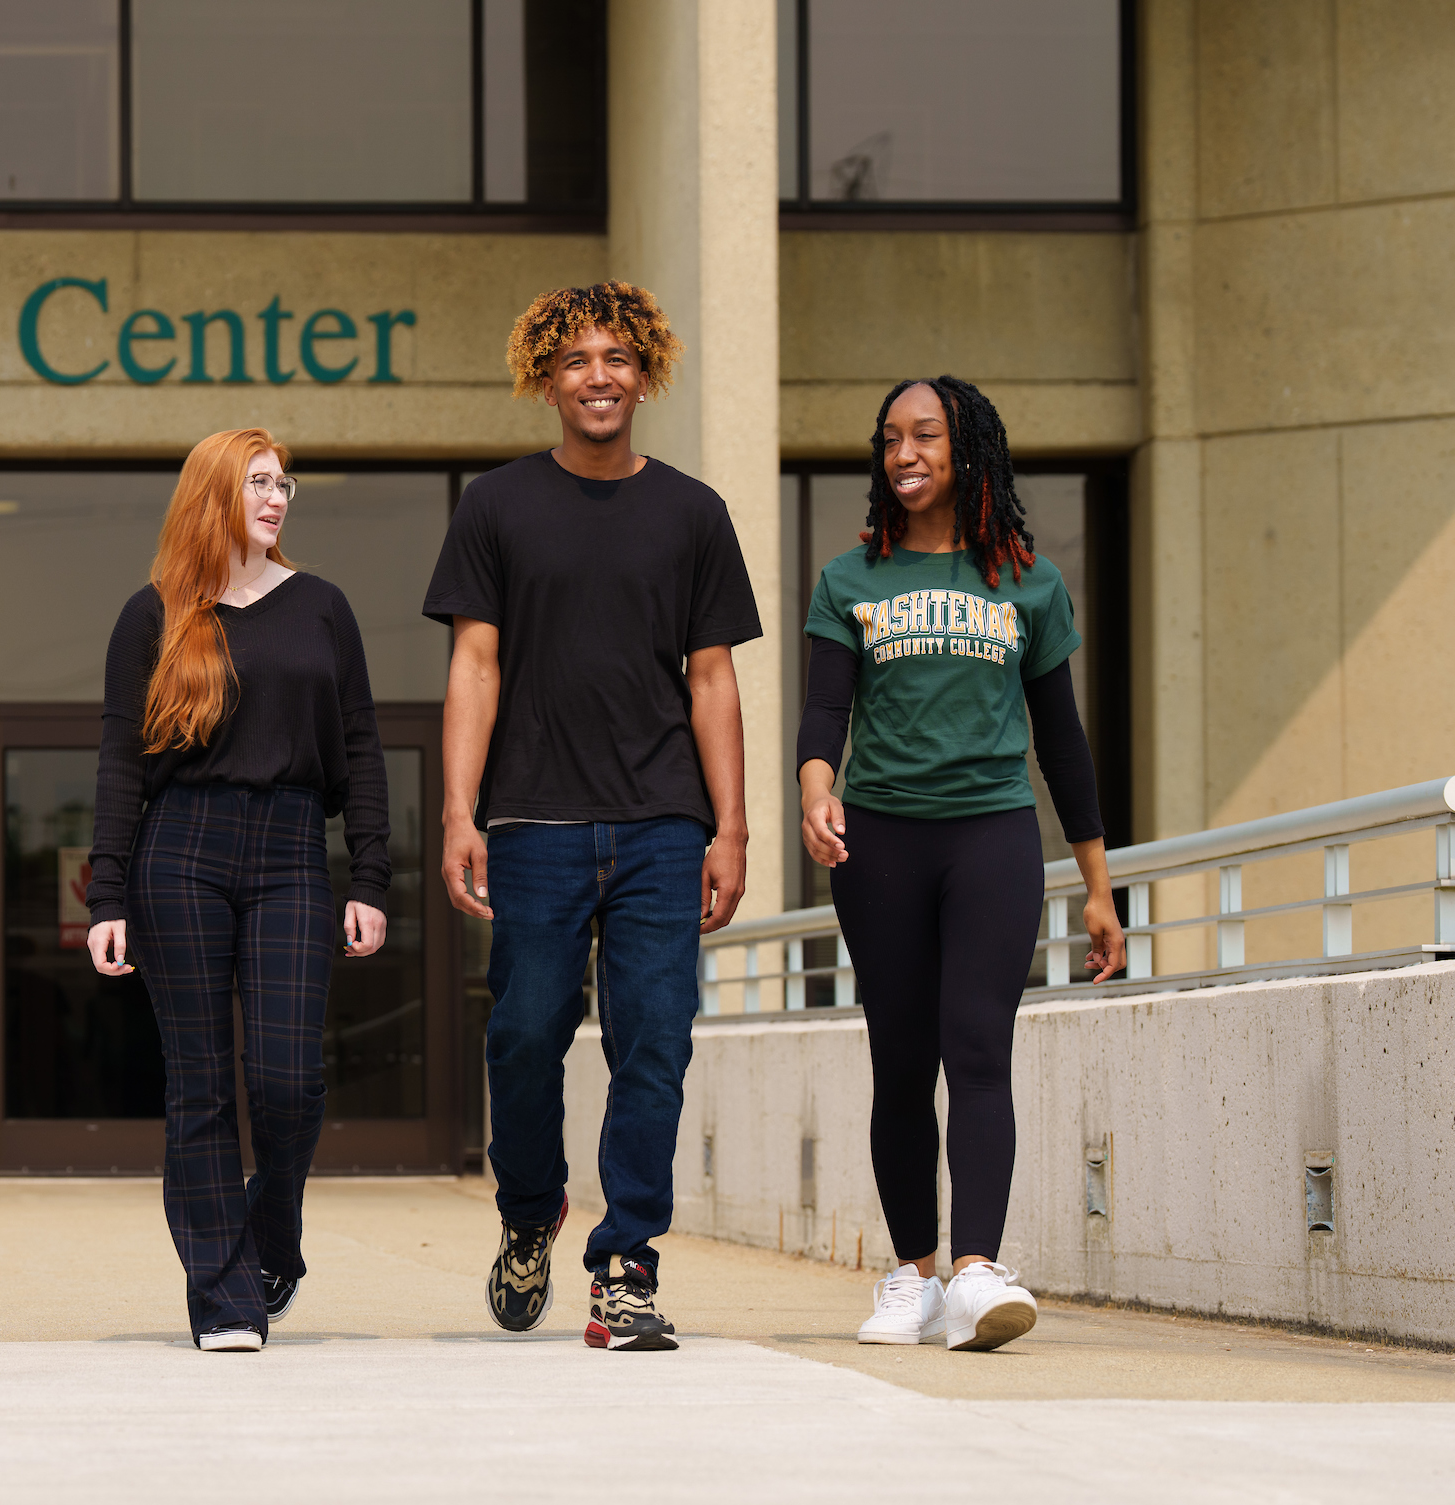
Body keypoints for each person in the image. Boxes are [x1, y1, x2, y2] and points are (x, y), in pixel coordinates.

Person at [425, 281, 763, 1351]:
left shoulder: (694, 514)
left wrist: (733, 828)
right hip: (531, 821)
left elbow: (712, 680)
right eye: (576, 360)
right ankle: (530, 1211)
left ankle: (626, 1267)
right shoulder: (496, 507)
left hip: (663, 820)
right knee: (524, 1034)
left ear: (647, 371)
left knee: (654, 1041)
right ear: (546, 377)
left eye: (618, 358)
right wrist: (457, 809)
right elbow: (473, 663)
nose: (599, 376)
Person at [798, 375, 1126, 1352]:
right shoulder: (849, 578)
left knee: (977, 1045)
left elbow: (1062, 742)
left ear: (967, 449)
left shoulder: (1026, 579)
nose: (905, 452)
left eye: (926, 435)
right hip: (881, 842)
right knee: (900, 1058)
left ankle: (977, 1272)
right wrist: (818, 787)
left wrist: (1099, 887)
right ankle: (912, 1273)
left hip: (990, 838)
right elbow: (824, 712)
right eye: (891, 437)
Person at [86, 427, 391, 1353]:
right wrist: (107, 894)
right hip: (179, 851)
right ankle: (222, 1298)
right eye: (258, 481)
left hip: (292, 845)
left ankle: (272, 1234)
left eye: (284, 482)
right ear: (213, 492)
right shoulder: (156, 615)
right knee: (202, 1087)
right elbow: (119, 762)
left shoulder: (322, 609)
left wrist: (370, 873)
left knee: (288, 1081)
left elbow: (364, 749)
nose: (277, 496)